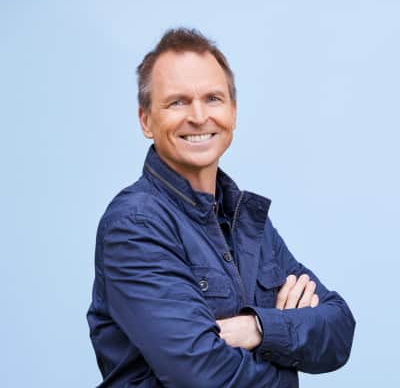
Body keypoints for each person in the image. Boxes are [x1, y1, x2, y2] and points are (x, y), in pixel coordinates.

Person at [87, 27, 355, 388]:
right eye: (177, 102)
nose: (199, 116)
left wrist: (257, 328)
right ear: (146, 120)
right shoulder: (136, 225)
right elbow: (202, 375)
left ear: (233, 111)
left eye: (213, 98)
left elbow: (338, 330)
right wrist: (286, 360)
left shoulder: (246, 221)